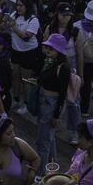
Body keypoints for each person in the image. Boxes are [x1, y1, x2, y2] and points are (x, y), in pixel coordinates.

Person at [34, 34, 71, 174]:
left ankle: (41, 174)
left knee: (43, 141)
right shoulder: (49, 62)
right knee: (49, 138)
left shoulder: (63, 68)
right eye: (47, 48)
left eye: (51, 49)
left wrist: (56, 116)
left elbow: (62, 94)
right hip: (44, 101)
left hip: (51, 105)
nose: (48, 51)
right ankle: (52, 168)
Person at [6, 0, 41, 115]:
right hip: (15, 51)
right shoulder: (14, 15)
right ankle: (16, 99)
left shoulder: (33, 20)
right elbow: (4, 28)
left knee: (25, 80)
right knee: (15, 76)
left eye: (21, 5)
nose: (18, 8)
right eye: (17, 5)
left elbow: (26, 37)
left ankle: (27, 103)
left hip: (29, 52)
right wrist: (5, 22)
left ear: (27, 6)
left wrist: (14, 27)